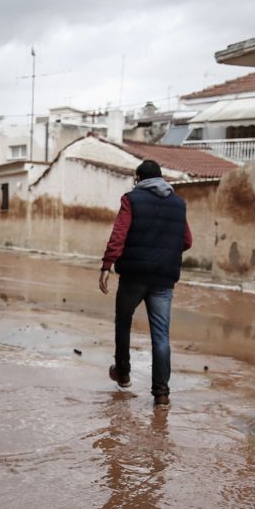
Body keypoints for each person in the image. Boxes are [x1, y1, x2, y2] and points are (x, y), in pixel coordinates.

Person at [98, 159, 192, 407]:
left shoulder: (131, 199)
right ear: (161, 178)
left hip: (134, 276)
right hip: (164, 278)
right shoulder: (178, 204)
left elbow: (119, 234)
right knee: (161, 336)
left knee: (123, 322)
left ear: (139, 178)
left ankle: (124, 374)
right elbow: (187, 241)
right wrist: (164, 252)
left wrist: (107, 265)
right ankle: (161, 394)